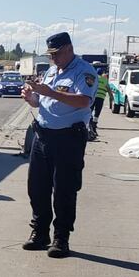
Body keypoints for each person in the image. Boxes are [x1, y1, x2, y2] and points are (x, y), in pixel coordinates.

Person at [21, 32, 97, 259]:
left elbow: (84, 100)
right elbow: (44, 101)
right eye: (51, 55)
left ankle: (61, 238)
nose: (53, 59)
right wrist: (32, 98)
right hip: (43, 136)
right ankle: (40, 232)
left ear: (68, 49)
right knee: (37, 187)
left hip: (68, 139)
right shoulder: (53, 71)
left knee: (64, 189)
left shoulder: (84, 72)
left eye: (56, 55)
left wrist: (50, 92)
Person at [90, 62, 109, 135]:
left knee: (90, 110)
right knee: (97, 112)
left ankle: (90, 123)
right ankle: (94, 125)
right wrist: (112, 98)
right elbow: (108, 89)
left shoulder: (93, 78)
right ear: (102, 73)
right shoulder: (104, 79)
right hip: (100, 98)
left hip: (93, 97)